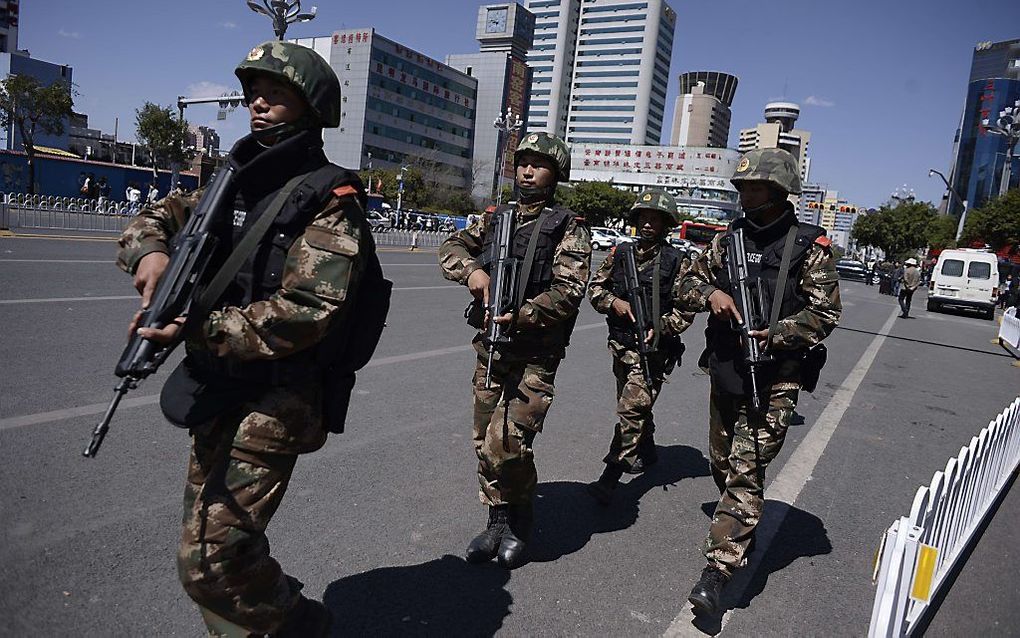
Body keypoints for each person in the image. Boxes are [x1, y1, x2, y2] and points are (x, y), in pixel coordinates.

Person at [115, 40, 377, 636]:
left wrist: (199, 327)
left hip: (276, 400)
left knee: (210, 557)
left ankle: (295, 621)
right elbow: (153, 219)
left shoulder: (329, 200)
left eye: (277, 94)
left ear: (310, 108)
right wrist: (151, 254)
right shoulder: (232, 178)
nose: (259, 104)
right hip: (218, 382)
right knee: (206, 545)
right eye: (254, 93)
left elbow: (309, 310)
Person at [679, 148, 841, 615]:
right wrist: (710, 293)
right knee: (724, 463)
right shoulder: (726, 241)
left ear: (779, 191)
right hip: (727, 370)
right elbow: (687, 284)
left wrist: (781, 332)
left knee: (747, 471)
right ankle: (735, 514)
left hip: (778, 376)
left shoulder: (809, 246)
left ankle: (718, 570)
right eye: (743, 187)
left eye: (756, 187)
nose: (746, 194)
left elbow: (826, 312)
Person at [439, 132, 591, 570]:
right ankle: (496, 520)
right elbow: (452, 247)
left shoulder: (569, 227)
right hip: (490, 349)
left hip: (535, 354)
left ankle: (520, 520)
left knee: (508, 441)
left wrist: (521, 314)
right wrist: (471, 272)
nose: (527, 170)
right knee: (482, 441)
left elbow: (568, 291)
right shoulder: (495, 219)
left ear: (555, 174)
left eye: (538, 164)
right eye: (522, 162)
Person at [586, 189, 694, 504]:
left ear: (666, 225)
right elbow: (595, 288)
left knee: (631, 410)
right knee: (634, 405)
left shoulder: (676, 261)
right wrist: (613, 302)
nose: (648, 225)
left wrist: (661, 327)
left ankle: (609, 478)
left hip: (654, 353)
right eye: (643, 218)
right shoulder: (620, 254)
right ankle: (647, 451)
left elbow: (686, 309)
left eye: (655, 220)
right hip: (620, 346)